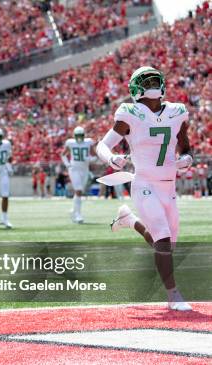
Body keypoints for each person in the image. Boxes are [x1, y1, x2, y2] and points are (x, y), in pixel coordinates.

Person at [97, 66, 193, 312]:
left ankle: (130, 221)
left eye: (153, 79)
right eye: (146, 80)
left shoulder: (177, 111)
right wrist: (111, 159)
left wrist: (186, 159)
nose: (150, 84)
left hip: (169, 187)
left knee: (166, 245)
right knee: (162, 238)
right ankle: (173, 294)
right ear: (136, 88)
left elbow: (185, 146)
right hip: (144, 184)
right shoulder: (131, 113)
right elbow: (103, 145)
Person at [61, 126, 95, 223]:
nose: (79, 138)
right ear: (74, 136)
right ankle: (78, 215)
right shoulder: (70, 143)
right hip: (74, 169)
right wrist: (68, 165)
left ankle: (74, 211)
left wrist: (90, 159)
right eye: (78, 135)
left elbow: (94, 155)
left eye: (81, 135)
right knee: (79, 190)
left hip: (85, 169)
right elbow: (63, 154)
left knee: (79, 191)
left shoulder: (88, 142)